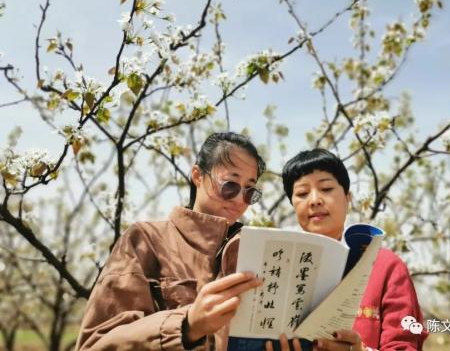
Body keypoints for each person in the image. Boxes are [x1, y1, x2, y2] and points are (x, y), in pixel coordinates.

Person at [75, 132, 266, 351]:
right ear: (197, 176)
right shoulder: (145, 240)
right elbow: (95, 345)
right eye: (230, 185)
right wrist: (187, 326)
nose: (239, 199)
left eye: (250, 191)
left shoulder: (254, 251)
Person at [274, 148, 427, 351]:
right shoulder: (278, 266)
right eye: (302, 193)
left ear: (348, 197)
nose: (314, 200)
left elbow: (405, 345)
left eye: (326, 189)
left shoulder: (387, 266)